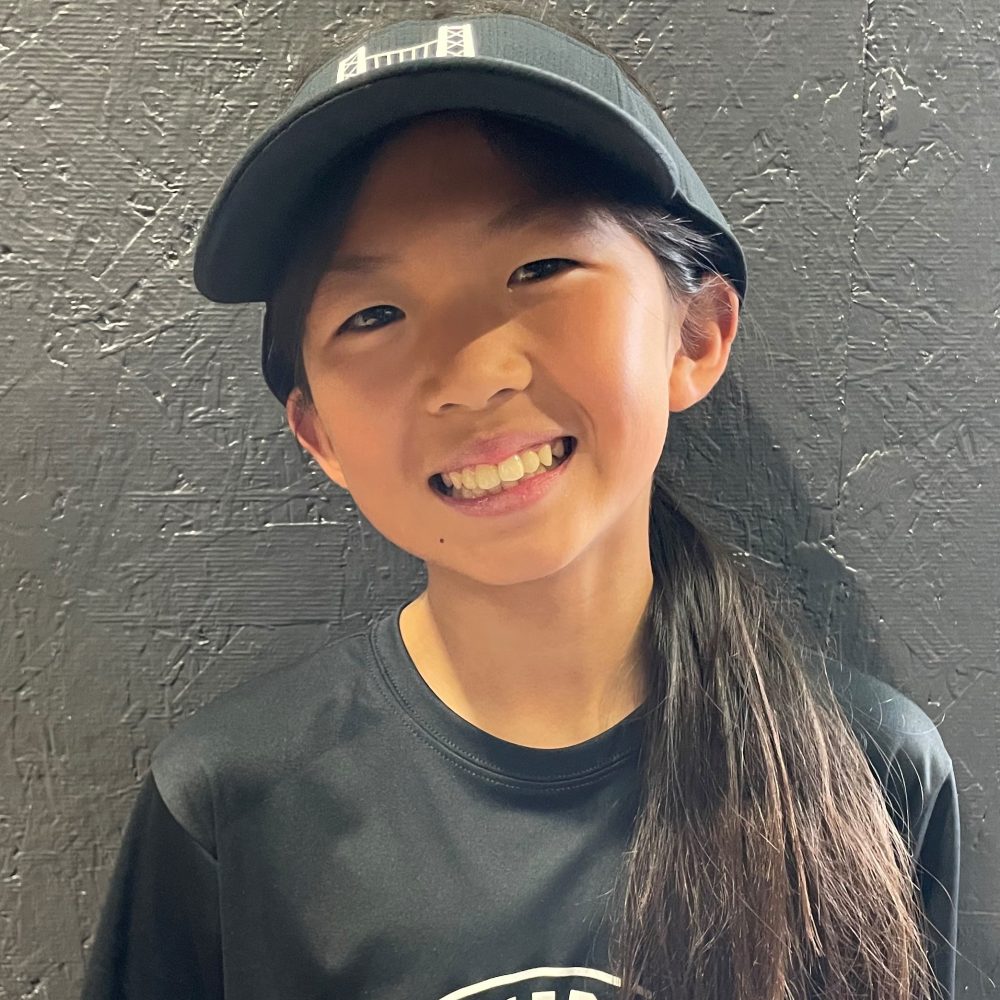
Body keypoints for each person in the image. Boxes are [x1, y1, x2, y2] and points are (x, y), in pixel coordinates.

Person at [79, 2, 960, 998]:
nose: (473, 375)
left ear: (695, 335)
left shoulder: (871, 773)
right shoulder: (230, 808)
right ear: (317, 431)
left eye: (540, 268)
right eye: (374, 314)